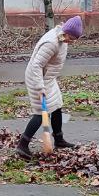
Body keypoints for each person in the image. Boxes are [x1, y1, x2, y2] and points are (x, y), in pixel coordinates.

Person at [16, 15, 84, 159]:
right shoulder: (51, 43)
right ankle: (23, 145)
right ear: (66, 32)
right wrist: (40, 87)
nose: (71, 42)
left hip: (48, 78)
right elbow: (36, 65)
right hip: (37, 78)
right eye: (71, 38)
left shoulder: (62, 37)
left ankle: (59, 139)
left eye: (74, 39)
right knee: (41, 113)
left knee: (57, 105)